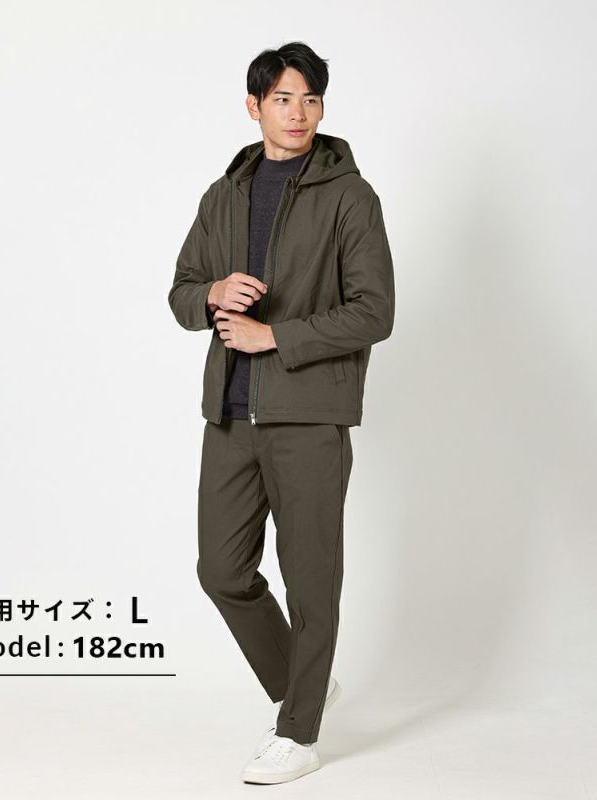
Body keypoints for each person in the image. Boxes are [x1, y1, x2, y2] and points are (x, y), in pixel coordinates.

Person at [168, 41, 395, 784]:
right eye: (282, 99)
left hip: (309, 414)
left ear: (322, 107)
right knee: (221, 569)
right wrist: (210, 294)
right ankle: (304, 683)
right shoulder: (223, 194)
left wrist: (276, 336)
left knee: (310, 576)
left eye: (310, 99)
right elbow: (181, 290)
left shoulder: (349, 195)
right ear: (254, 106)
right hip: (231, 414)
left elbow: (375, 311)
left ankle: (299, 732)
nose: (298, 113)